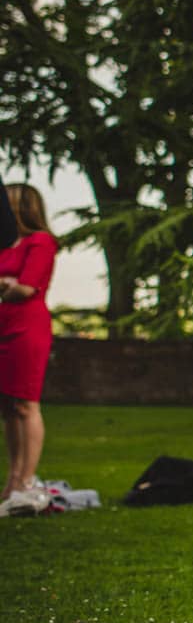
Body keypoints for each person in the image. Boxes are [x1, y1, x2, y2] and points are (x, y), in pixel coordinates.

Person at [0, 184, 59, 516]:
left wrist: (9, 285)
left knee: (25, 403)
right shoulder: (6, 246)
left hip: (27, 328)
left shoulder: (41, 242)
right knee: (7, 406)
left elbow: (24, 288)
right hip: (2, 324)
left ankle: (25, 481)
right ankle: (11, 481)